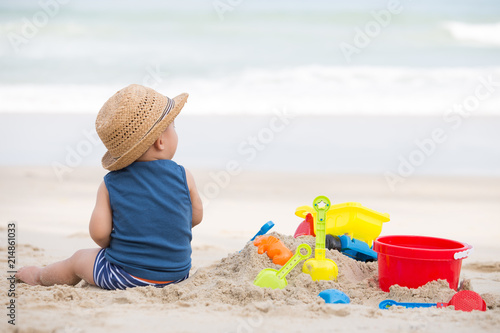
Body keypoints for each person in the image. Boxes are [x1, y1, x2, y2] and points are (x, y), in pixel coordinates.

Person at [16, 84, 203, 290]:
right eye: (174, 127)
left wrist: (124, 243)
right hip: (178, 275)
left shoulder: (110, 183)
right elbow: (194, 218)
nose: (176, 132)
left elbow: (99, 235)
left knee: (78, 260)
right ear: (160, 141)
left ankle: (40, 276)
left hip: (125, 277)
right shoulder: (184, 175)